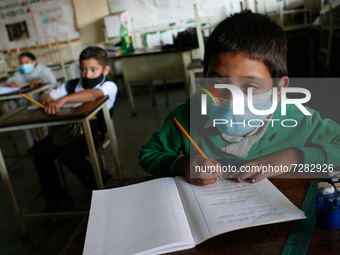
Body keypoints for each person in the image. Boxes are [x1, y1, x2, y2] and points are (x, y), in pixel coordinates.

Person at [139, 11, 340, 186]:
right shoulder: (186, 117)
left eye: (250, 87)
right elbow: (149, 154)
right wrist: (182, 165)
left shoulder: (299, 119)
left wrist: (293, 157)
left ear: (279, 89)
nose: (232, 99)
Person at [32, 46, 118, 215]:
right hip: (65, 135)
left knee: (70, 156)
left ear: (105, 69)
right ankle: (58, 198)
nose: (87, 75)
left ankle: (101, 187)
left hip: (93, 135)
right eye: (83, 70)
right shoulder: (71, 85)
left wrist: (63, 100)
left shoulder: (109, 85)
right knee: (39, 151)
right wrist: (48, 99)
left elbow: (93, 95)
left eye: (93, 70)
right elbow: (45, 96)